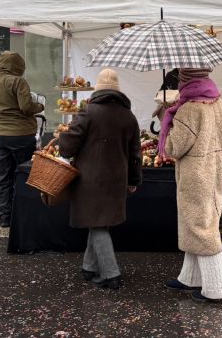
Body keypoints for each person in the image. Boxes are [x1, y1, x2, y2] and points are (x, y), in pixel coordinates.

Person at [58, 69, 142, 291]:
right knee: (98, 220)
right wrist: (133, 180)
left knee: (96, 224)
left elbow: (68, 145)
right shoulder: (128, 116)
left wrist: (63, 142)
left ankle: (111, 274)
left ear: (98, 89)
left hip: (91, 179)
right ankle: (89, 267)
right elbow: (136, 154)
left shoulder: (89, 112)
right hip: (117, 179)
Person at [160, 68, 222, 303]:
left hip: (196, 176)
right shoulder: (216, 101)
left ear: (184, 79)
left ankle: (216, 288)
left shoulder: (189, 108)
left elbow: (173, 148)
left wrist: (167, 118)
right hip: (213, 172)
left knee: (202, 229)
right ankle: (190, 277)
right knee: (199, 223)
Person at [0, 51, 44, 227]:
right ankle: (24, 214)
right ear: (18, 65)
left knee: (2, 176)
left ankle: (4, 217)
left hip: (0, 135)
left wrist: (4, 110)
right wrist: (39, 106)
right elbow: (26, 107)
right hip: (21, 134)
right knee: (25, 173)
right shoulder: (18, 82)